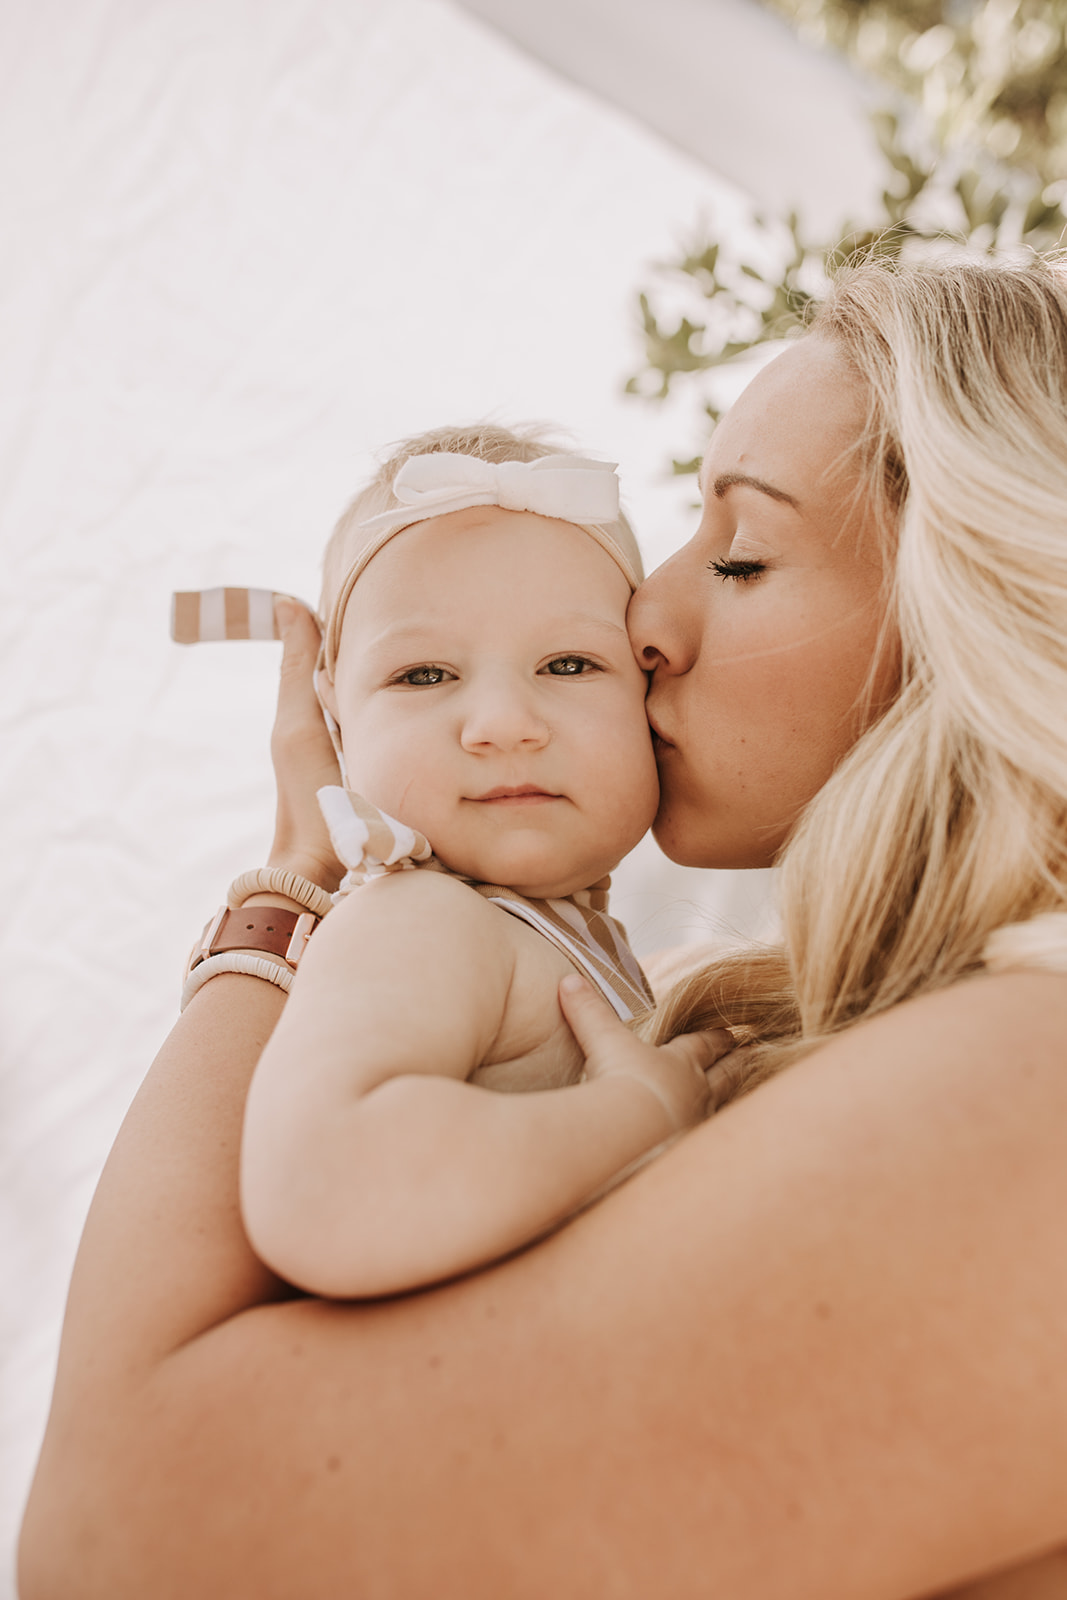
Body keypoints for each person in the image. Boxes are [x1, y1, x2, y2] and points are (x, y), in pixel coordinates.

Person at [19, 255, 1067, 1600]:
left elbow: (117, 1545)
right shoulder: (718, 1009)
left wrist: (296, 886)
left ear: (991, 602)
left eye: (739, 554)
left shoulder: (1021, 1102)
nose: (646, 625)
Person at [185, 427, 714, 1299]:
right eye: (425, 675)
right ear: (333, 724)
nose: (504, 722)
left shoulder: (547, 937)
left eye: (570, 663)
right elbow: (326, 1192)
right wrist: (635, 1113)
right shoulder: (419, 917)